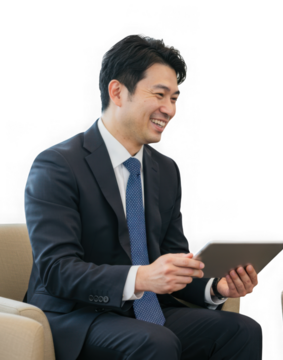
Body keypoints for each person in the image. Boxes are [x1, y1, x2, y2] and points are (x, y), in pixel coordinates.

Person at [23, 33, 262, 360]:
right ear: (118, 92)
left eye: (175, 98)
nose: (171, 110)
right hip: (76, 315)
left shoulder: (165, 169)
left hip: (145, 311)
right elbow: (57, 270)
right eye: (160, 95)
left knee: (242, 330)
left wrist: (215, 288)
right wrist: (141, 277)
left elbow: (173, 259)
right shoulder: (57, 164)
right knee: (154, 341)